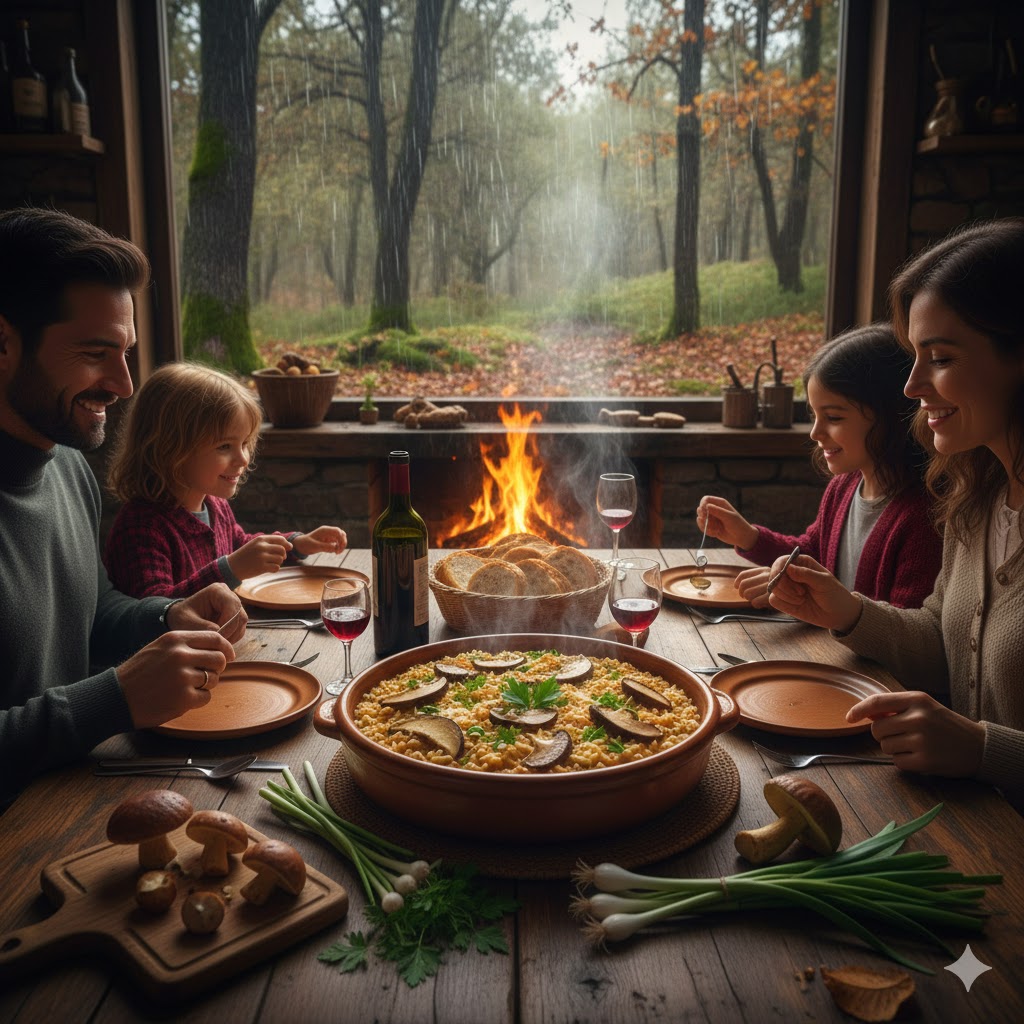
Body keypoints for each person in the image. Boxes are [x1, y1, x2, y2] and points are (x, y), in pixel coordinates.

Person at [765, 218, 1024, 809]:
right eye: (913, 357)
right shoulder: (974, 499)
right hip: (965, 825)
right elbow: (942, 642)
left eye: (941, 357)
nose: (910, 386)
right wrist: (850, 611)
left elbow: (980, 743)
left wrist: (985, 751)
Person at [0, 207, 247, 804]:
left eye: (126, 352)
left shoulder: (66, 465)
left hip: (79, 791)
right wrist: (115, 699)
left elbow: (93, 608)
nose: (124, 384)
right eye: (95, 353)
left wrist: (167, 616)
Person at [696, 324, 942, 609]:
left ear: (893, 417)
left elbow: (906, 624)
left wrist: (804, 594)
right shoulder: (844, 487)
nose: (815, 433)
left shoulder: (922, 518)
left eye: (834, 417)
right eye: (814, 415)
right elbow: (813, 553)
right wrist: (748, 536)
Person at [102, 362, 347, 599]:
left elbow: (241, 546)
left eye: (245, 444)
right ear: (170, 449)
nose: (243, 459)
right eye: (225, 446)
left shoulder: (214, 505)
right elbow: (156, 610)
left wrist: (298, 544)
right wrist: (231, 570)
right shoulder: (141, 528)